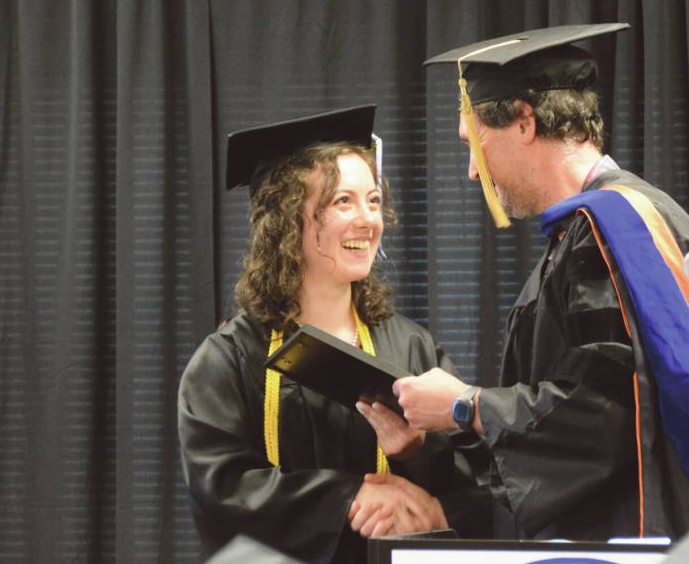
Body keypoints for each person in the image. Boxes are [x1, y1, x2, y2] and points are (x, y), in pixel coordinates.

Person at [381, 24, 689, 541]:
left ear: (524, 121)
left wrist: (465, 405)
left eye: (475, 142)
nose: (472, 170)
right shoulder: (615, 222)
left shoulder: (607, 229)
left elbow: (603, 407)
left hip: (632, 535)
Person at [177, 106, 488, 563]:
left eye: (374, 200)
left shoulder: (409, 347)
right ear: (286, 221)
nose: (368, 220)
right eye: (343, 201)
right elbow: (221, 487)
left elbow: (474, 483)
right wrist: (348, 496)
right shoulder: (230, 358)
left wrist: (416, 455)